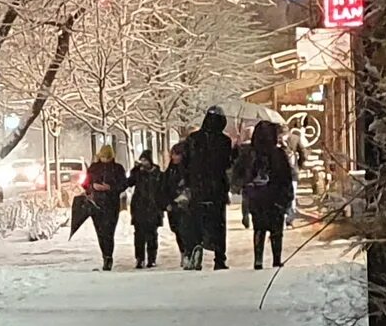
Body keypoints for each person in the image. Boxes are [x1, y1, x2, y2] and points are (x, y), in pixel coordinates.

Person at [179, 107, 235, 271]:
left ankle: (196, 246)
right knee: (218, 224)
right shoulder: (224, 141)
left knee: (196, 221)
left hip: (197, 187)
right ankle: (219, 257)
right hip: (216, 188)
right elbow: (227, 164)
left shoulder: (193, 139)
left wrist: (188, 181)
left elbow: (185, 163)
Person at [240, 119, 298, 269]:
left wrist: (247, 193)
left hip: (257, 197)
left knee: (259, 228)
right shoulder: (278, 153)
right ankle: (276, 259)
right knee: (276, 229)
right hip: (275, 197)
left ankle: (258, 259)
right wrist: (287, 198)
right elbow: (286, 177)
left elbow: (243, 176)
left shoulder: (250, 153)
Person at [81, 145, 128, 269]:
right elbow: (85, 184)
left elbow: (123, 184)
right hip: (97, 204)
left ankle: (108, 256)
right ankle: (105, 255)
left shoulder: (117, 169)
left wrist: (110, 188)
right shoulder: (94, 168)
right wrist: (93, 187)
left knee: (109, 231)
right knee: (100, 232)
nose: (105, 160)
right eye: (103, 157)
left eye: (107, 157)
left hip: (112, 204)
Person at [125, 146, 169, 268]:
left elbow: (162, 191)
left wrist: (162, 205)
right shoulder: (138, 174)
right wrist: (134, 170)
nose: (143, 163)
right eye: (141, 160)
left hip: (153, 208)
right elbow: (128, 183)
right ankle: (139, 258)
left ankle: (151, 258)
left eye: (145, 160)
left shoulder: (158, 174)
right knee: (139, 234)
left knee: (152, 234)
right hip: (139, 208)